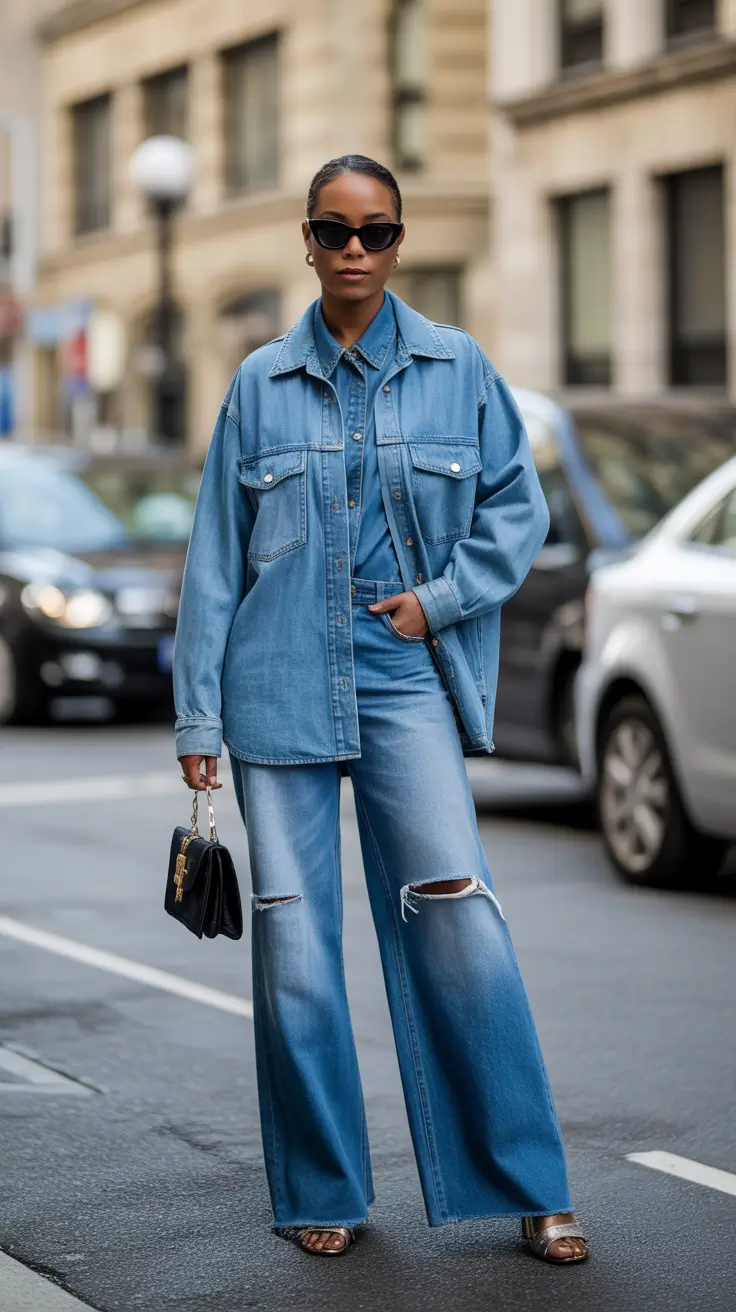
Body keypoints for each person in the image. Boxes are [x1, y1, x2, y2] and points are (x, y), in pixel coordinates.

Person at [174, 155, 588, 1265]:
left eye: (377, 231)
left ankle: (527, 1181)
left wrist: (438, 602)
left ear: (398, 241)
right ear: (304, 241)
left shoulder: (459, 368)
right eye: (334, 229)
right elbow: (215, 562)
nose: (356, 249)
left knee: (458, 914)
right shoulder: (259, 382)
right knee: (296, 942)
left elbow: (517, 505)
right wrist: (197, 722)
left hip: (403, 673)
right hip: (273, 689)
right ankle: (324, 1184)